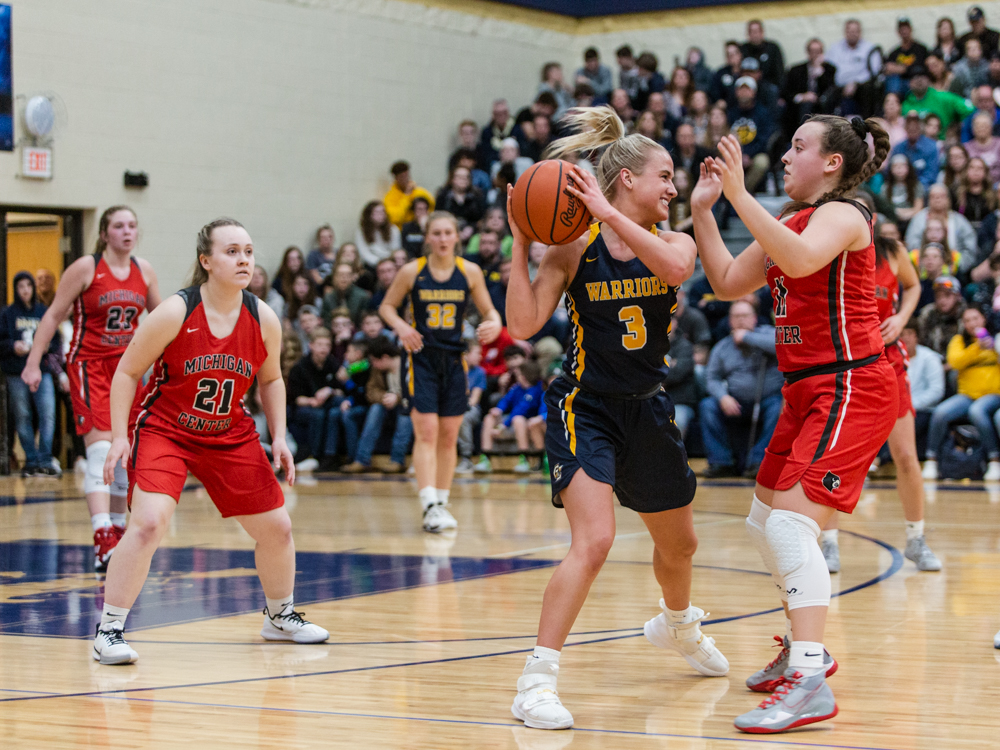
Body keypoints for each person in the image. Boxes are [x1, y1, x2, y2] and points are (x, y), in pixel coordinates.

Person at [505, 106, 727, 731]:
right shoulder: (574, 248)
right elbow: (522, 325)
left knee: (680, 545)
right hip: (585, 405)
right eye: (664, 176)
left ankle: (678, 625)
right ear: (627, 179)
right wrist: (523, 238)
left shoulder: (675, 241)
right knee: (594, 541)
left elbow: (680, 270)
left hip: (649, 406)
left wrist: (602, 212)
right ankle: (536, 680)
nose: (673, 188)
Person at [692, 114, 896, 732]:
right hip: (807, 390)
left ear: (832, 163)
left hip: (851, 383)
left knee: (788, 525)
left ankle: (809, 679)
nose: (785, 155)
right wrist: (706, 211)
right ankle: (806, 647)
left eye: (798, 147)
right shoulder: (790, 220)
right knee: (764, 521)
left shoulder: (847, 214)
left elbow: (804, 263)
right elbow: (728, 282)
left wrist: (739, 195)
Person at [95, 218, 328, 665]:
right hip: (167, 429)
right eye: (231, 251)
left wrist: (278, 436)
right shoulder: (174, 312)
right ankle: (109, 630)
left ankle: (279, 617)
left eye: (248, 251)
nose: (243, 260)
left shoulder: (263, 317)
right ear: (207, 261)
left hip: (228, 432)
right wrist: (120, 436)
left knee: (277, 527)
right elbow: (126, 372)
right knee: (148, 523)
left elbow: (272, 379)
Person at [22, 206, 160, 571]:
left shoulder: (144, 271)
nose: (127, 232)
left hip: (129, 371)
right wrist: (34, 362)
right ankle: (102, 537)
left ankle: (117, 533)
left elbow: (162, 322)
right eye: (118, 226)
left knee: (123, 459)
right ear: (104, 233)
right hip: (90, 367)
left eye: (132, 225)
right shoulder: (86, 267)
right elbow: (53, 315)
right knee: (101, 453)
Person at [820, 233, 941, 572]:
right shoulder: (827, 249)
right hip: (844, 361)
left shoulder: (892, 251)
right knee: (833, 458)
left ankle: (916, 539)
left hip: (888, 360)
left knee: (905, 455)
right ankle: (829, 544)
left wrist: (901, 319)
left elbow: (914, 286)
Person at [379, 211, 502, 533]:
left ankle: (442, 503)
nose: (444, 238)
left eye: (449, 232)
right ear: (428, 237)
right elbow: (386, 307)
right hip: (420, 359)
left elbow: (490, 310)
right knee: (427, 432)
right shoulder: (412, 271)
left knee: (449, 436)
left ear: (457, 236)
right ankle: (429, 503)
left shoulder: (470, 271)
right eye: (437, 233)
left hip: (454, 360)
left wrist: (494, 323)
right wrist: (403, 328)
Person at [700, 300, 783, 479]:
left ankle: (758, 462)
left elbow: (781, 346)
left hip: (767, 399)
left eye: (745, 316)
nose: (740, 320)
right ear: (729, 321)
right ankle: (721, 463)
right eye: (736, 316)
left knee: (778, 408)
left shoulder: (767, 333)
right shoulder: (722, 347)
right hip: (736, 401)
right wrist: (723, 397)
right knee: (708, 406)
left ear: (754, 318)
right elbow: (711, 378)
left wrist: (747, 337)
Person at [922, 305, 1000, 480]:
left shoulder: (996, 339)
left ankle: (994, 460)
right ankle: (931, 459)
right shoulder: (959, 341)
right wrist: (977, 348)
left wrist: (994, 348)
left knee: (977, 411)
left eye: (975, 318)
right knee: (940, 412)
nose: (972, 323)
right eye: (967, 320)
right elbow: (955, 362)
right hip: (967, 395)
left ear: (983, 319)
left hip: (993, 394)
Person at [0, 271, 59, 477]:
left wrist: (45, 347)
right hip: (16, 372)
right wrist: (12, 346)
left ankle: (45, 459)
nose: (25, 290)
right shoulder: (7, 314)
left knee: (48, 414)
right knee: (22, 416)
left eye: (28, 286)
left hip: (42, 372)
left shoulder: (43, 311)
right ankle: (31, 461)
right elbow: (1, 343)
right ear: (16, 290)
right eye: (21, 286)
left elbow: (56, 340)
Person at [287, 327, 344, 472]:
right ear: (311, 345)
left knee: (336, 412)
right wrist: (312, 401)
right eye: (319, 345)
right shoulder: (299, 367)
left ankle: (330, 455)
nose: (323, 349)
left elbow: (340, 389)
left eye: (327, 345)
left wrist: (329, 390)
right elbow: (296, 399)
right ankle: (314, 454)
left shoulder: (333, 363)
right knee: (317, 415)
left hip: (326, 403)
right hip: (304, 406)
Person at [478, 359, 545, 473]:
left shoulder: (536, 390)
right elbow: (506, 400)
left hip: (524, 421)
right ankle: (486, 458)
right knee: (489, 418)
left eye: (518, 374)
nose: (516, 376)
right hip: (511, 419)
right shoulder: (516, 388)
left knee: (518, 419)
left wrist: (503, 426)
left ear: (524, 376)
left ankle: (523, 459)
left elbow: (520, 410)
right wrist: (498, 409)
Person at [904, 184, 978, 266]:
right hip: (923, 267)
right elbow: (911, 244)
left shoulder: (959, 220)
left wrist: (958, 266)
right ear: (928, 200)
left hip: (954, 266)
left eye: (941, 196)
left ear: (948, 199)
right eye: (933, 196)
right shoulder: (918, 219)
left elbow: (970, 247)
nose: (937, 199)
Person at [901, 321, 945, 457]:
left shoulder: (930, 358)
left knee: (905, 425)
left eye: (910, 333)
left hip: (924, 409)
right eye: (902, 334)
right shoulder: (892, 358)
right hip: (898, 409)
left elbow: (937, 391)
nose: (905, 338)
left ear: (917, 337)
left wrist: (910, 405)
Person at [782, 39, 838, 140]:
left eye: (818, 51)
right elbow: (786, 93)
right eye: (812, 51)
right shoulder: (796, 70)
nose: (815, 55)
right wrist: (802, 97)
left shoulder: (829, 69)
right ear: (808, 52)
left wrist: (820, 74)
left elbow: (831, 90)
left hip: (823, 106)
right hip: (800, 108)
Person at [825, 19, 882, 116]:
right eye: (850, 31)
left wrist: (855, 82)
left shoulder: (870, 48)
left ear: (860, 32)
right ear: (845, 32)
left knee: (868, 91)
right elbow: (829, 69)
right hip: (839, 87)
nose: (853, 34)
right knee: (827, 96)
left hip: (862, 86)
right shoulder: (835, 49)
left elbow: (875, 71)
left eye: (856, 31)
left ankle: (866, 124)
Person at [728, 77, 774, 194]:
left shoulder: (762, 113)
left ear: (753, 92)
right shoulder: (731, 113)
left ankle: (742, 192)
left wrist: (749, 155)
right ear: (736, 92)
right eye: (741, 90)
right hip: (733, 154)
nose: (744, 93)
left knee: (762, 162)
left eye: (747, 90)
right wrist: (739, 155)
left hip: (754, 154)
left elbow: (764, 139)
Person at [902, 66, 976, 136]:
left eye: (923, 76)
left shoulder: (943, 98)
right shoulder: (905, 105)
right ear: (909, 83)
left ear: (928, 80)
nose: (919, 80)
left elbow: (970, 109)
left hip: (942, 143)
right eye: (914, 77)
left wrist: (958, 127)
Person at [455, 342, 486, 473]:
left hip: (471, 409)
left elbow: (474, 400)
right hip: (453, 406)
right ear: (465, 355)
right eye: (477, 353)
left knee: (463, 418)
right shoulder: (455, 369)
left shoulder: (479, 372)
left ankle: (466, 459)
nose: (480, 357)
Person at [918, 274, 966, 355]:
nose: (942, 300)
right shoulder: (928, 313)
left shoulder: (966, 315)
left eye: (947, 295)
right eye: (938, 296)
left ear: (958, 296)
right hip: (932, 361)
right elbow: (920, 342)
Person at [892, 111, 941, 190]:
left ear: (921, 126)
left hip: (923, 188)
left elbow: (930, 176)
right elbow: (890, 171)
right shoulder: (898, 148)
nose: (912, 127)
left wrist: (913, 187)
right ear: (905, 127)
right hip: (900, 186)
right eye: (909, 124)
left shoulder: (931, 147)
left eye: (915, 124)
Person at [435, 166, 485, 240]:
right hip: (447, 233)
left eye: (466, 177)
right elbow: (438, 217)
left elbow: (482, 218)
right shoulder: (443, 196)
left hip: (472, 235)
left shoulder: (477, 196)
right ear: (452, 179)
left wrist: (472, 228)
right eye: (459, 177)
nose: (463, 180)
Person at [883, 17, 929, 97]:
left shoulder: (921, 49)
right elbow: (887, 68)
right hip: (899, 84)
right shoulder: (894, 53)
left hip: (916, 82)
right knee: (893, 79)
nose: (904, 31)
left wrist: (902, 69)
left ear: (911, 29)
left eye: (906, 28)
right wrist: (900, 69)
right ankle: (893, 103)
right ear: (898, 32)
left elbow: (920, 67)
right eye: (901, 29)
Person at [384, 160, 435, 229]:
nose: (406, 179)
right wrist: (406, 196)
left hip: (421, 228)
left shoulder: (419, 192)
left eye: (407, 175)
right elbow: (395, 218)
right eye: (402, 177)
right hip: (402, 231)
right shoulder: (390, 197)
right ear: (396, 178)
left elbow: (432, 205)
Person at [321, 263, 371, 328]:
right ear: (334, 277)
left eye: (347, 275)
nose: (344, 278)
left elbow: (363, 323)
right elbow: (326, 323)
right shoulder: (328, 297)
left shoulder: (362, 297)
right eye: (340, 275)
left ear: (353, 277)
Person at [356, 202, 403, 268]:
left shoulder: (393, 229)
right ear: (369, 215)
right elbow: (364, 253)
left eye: (383, 212)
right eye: (377, 212)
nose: (381, 215)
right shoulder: (361, 231)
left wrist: (387, 262)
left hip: (390, 263)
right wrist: (379, 263)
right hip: (371, 265)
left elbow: (395, 250)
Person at [741, 20, 785, 89]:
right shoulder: (743, 49)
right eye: (751, 32)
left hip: (768, 84)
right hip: (747, 86)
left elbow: (779, 72)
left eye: (756, 31)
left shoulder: (772, 48)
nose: (754, 35)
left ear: (762, 32)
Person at [964, 113, 1000, 184]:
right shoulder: (966, 148)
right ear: (972, 129)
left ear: (991, 127)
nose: (981, 128)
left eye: (984, 125)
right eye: (978, 125)